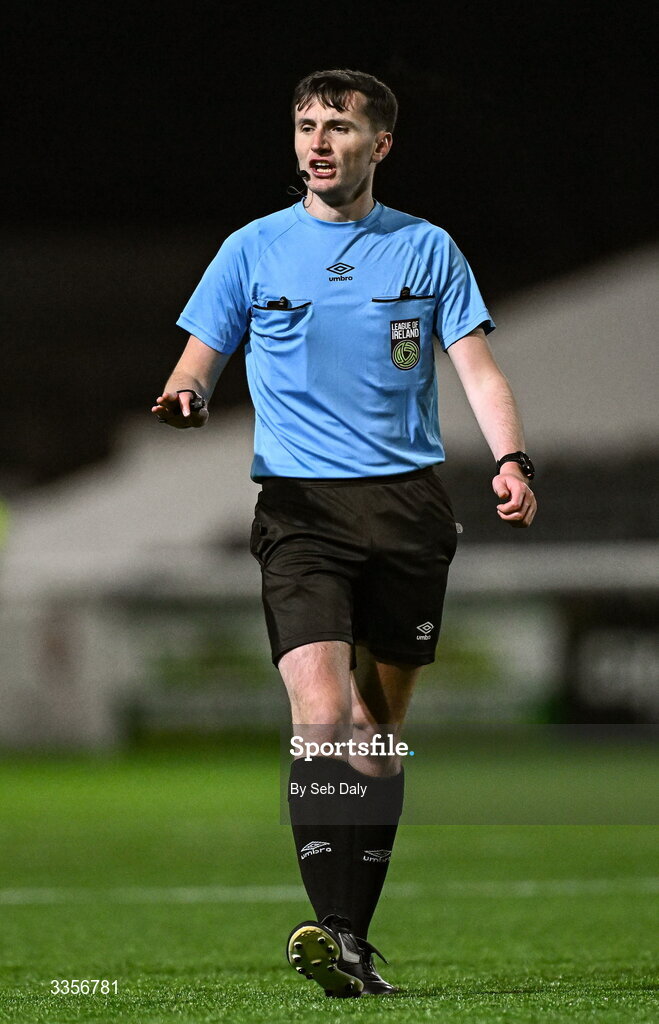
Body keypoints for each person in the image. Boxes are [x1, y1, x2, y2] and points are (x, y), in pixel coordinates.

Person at [151, 68, 537, 998]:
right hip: (299, 513)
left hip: (407, 509)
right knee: (321, 718)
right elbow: (197, 360)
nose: (317, 142)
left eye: (337, 127)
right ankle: (329, 928)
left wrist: (512, 459)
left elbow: (476, 369)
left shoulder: (427, 249)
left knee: (376, 731)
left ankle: (351, 939)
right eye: (303, 126)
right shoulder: (251, 249)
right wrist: (187, 396)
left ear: (380, 145)